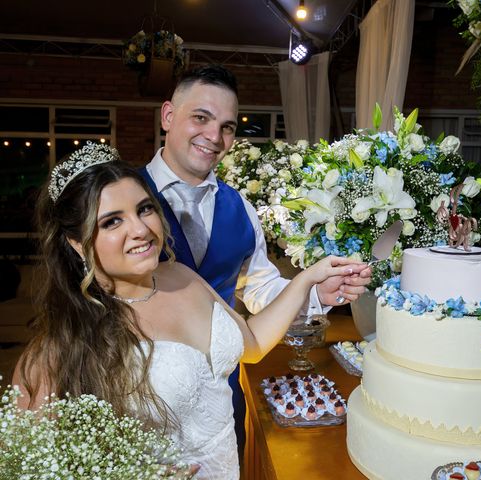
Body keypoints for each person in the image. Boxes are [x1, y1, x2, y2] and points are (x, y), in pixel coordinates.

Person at [12, 143, 367, 479]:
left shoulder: (180, 275)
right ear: (76, 243)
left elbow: (254, 343)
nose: (140, 229)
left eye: (144, 208)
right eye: (112, 221)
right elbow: (29, 463)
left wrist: (305, 281)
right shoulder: (61, 346)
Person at [140, 63, 372, 450]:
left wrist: (317, 293)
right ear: (168, 115)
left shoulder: (241, 207)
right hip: (144, 394)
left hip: (221, 396)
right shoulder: (124, 196)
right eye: (201, 117)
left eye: (227, 127)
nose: (214, 137)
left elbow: (260, 288)